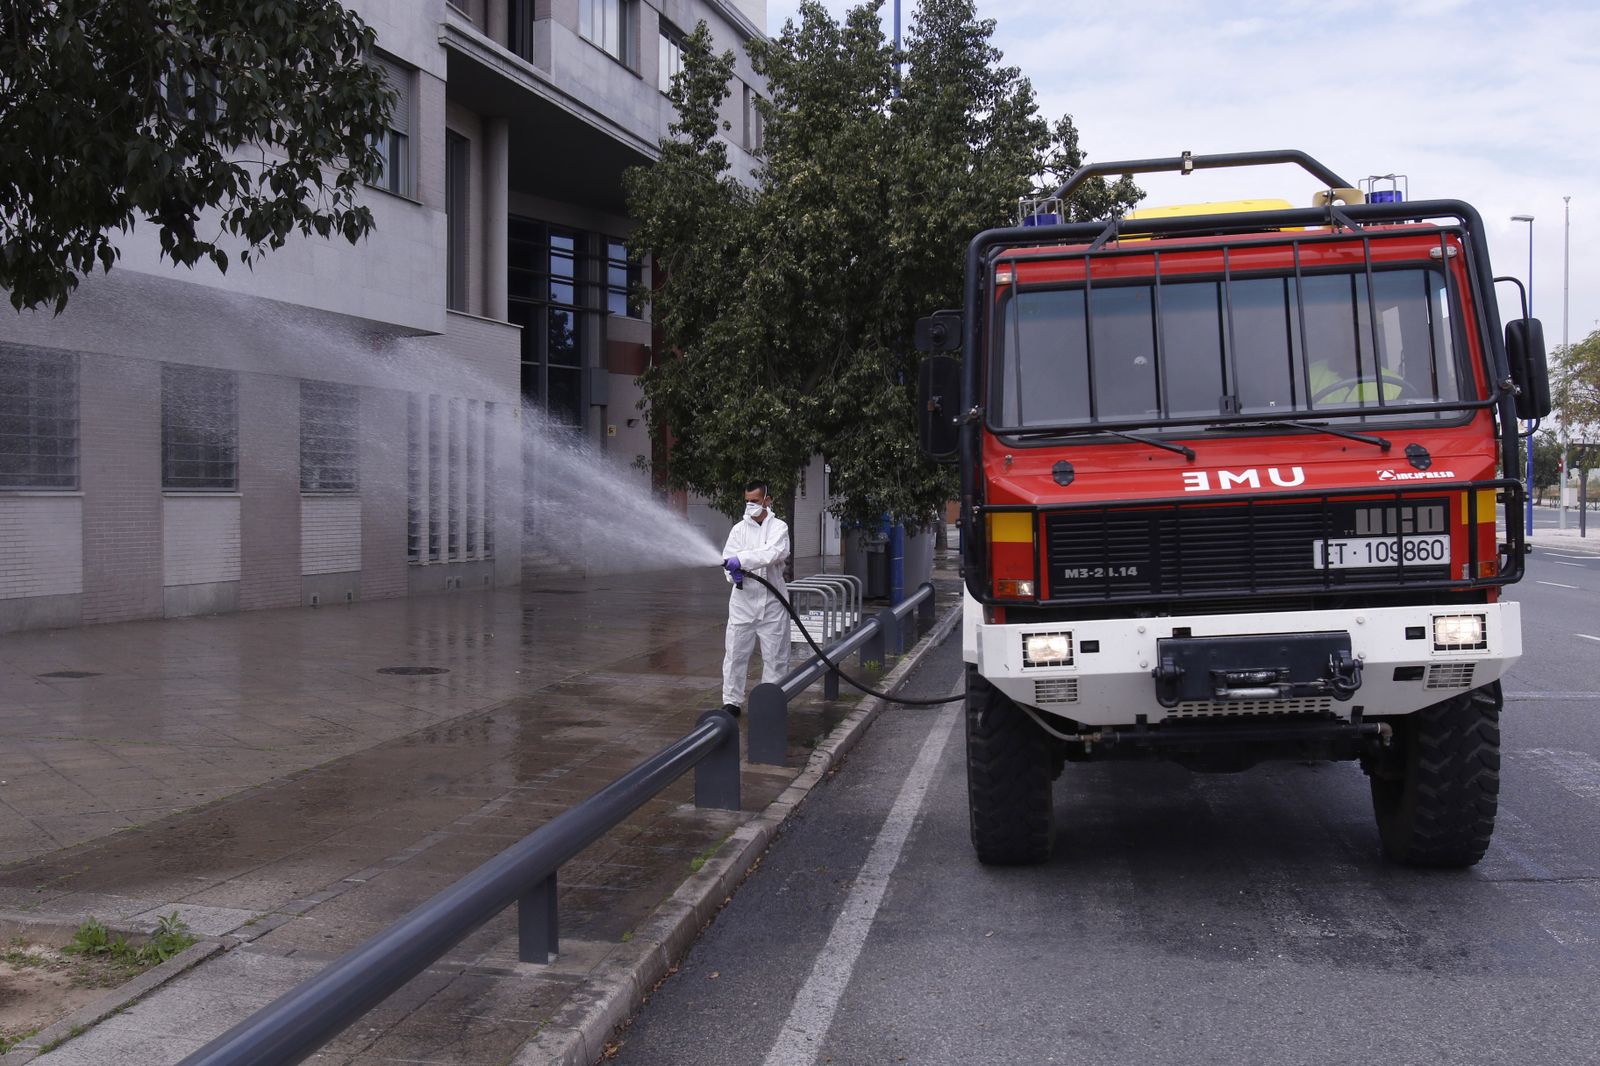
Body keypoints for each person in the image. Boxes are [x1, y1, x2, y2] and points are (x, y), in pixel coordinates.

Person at [720, 480, 791, 716]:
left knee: (775, 656)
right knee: (735, 654)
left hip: (773, 602)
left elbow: (773, 553)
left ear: (767, 501)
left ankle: (770, 700)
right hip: (743, 602)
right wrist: (734, 575)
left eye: (755, 501)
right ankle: (731, 701)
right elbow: (728, 560)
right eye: (747, 501)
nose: (750, 505)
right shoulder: (738, 530)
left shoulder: (779, 528)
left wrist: (742, 560)